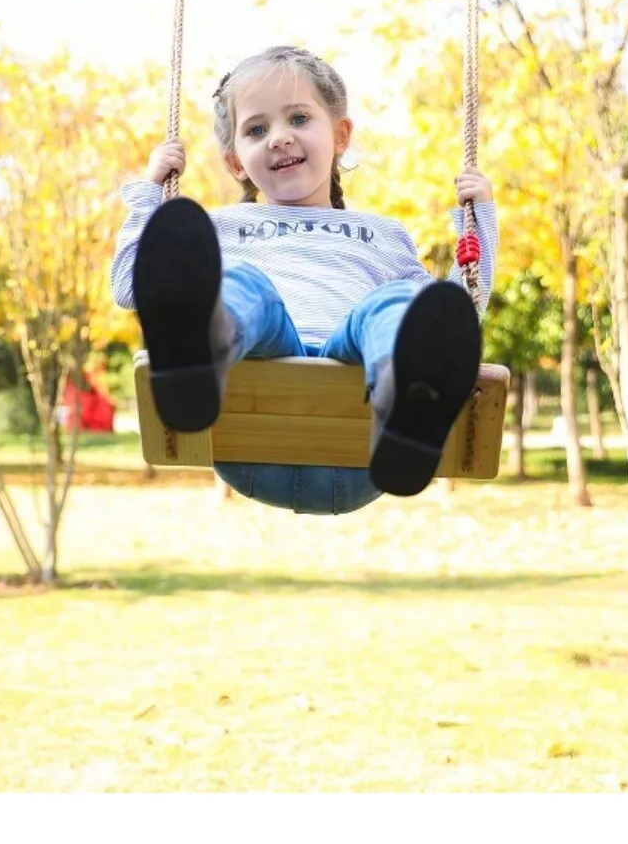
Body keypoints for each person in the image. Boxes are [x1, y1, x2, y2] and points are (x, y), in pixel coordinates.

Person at [111, 45, 497, 514]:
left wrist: (481, 222)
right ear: (236, 162)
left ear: (340, 135)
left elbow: (458, 313)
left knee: (401, 303)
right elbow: (131, 285)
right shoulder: (219, 228)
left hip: (366, 444)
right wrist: (151, 194)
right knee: (241, 285)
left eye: (297, 119)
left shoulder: (383, 234)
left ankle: (407, 401)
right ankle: (200, 354)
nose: (278, 138)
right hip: (248, 433)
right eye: (256, 129)